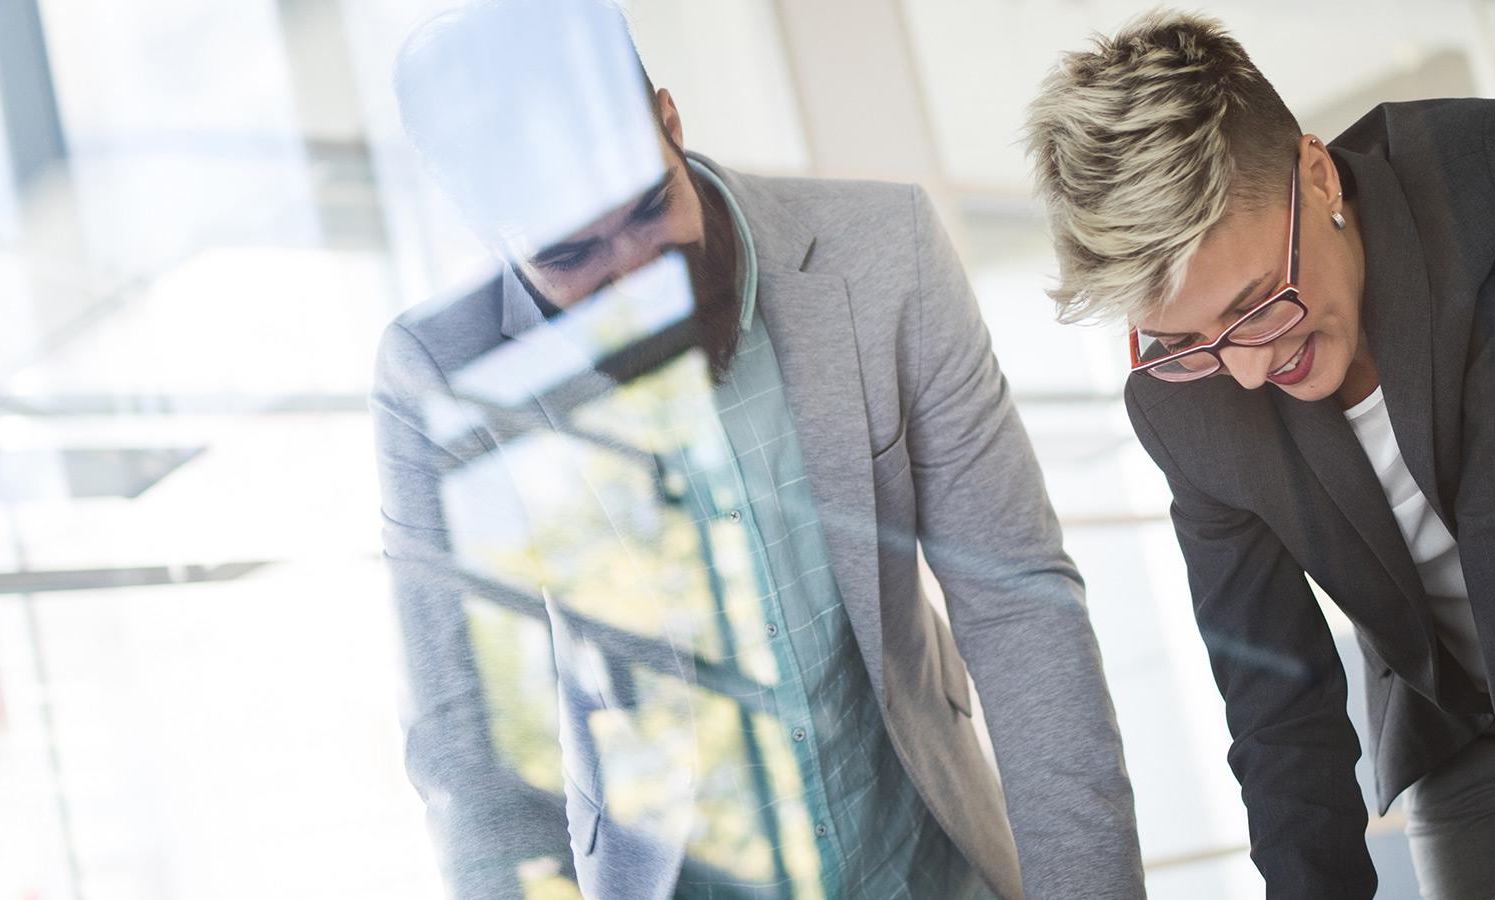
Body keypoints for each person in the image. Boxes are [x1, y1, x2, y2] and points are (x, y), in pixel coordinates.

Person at [373, 1, 1143, 897]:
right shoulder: (439, 375)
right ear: (486, 226)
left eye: (647, 207)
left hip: (925, 862)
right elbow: (476, 759)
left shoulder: (883, 250)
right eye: (574, 255)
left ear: (668, 121)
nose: (639, 281)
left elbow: (1018, 604)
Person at [1021, 12, 1495, 898]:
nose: (1250, 369)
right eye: (1190, 338)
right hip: (1465, 712)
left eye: (1263, 301)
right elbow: (1275, 704)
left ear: (1318, 172)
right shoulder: (1185, 401)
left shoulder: (1482, 174)